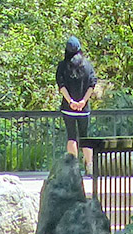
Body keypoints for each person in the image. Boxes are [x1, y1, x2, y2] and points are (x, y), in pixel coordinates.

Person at [56, 35, 97, 173]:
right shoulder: (87, 65)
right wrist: (83, 101)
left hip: (68, 109)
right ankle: (89, 166)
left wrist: (71, 101)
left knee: (71, 137)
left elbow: (61, 86)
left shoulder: (62, 66)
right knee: (85, 136)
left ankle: (73, 167)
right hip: (84, 109)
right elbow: (92, 85)